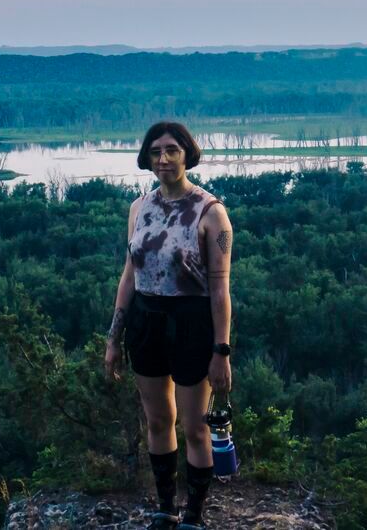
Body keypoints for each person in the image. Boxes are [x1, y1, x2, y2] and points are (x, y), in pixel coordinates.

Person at [104, 121, 233, 530]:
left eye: (172, 150)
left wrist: (221, 351)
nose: (163, 158)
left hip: (192, 323)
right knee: (157, 420)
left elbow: (219, 291)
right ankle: (165, 508)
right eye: (156, 151)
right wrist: (114, 337)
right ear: (147, 157)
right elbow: (129, 274)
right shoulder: (138, 208)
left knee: (194, 426)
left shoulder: (211, 213)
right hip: (147, 320)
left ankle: (194, 514)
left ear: (187, 153)